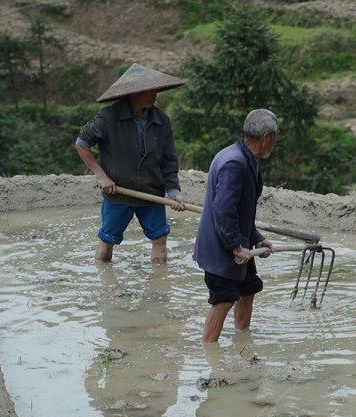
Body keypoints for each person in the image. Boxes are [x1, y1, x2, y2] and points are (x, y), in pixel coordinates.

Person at [76, 63, 187, 264]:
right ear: (133, 93)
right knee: (107, 240)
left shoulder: (161, 120)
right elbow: (82, 143)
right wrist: (101, 175)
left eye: (156, 90)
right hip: (118, 193)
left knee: (160, 239)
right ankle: (105, 285)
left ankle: (160, 288)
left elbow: (169, 160)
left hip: (152, 193)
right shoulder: (109, 117)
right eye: (150, 90)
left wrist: (173, 192)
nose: (155, 95)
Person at [194, 109, 278, 344]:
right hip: (221, 247)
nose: (275, 141)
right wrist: (235, 246)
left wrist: (257, 238)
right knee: (223, 300)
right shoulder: (234, 163)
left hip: (236, 242)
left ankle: (242, 339)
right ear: (266, 137)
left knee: (248, 289)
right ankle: (209, 351)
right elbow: (224, 210)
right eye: (276, 136)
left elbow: (243, 212)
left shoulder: (244, 158)